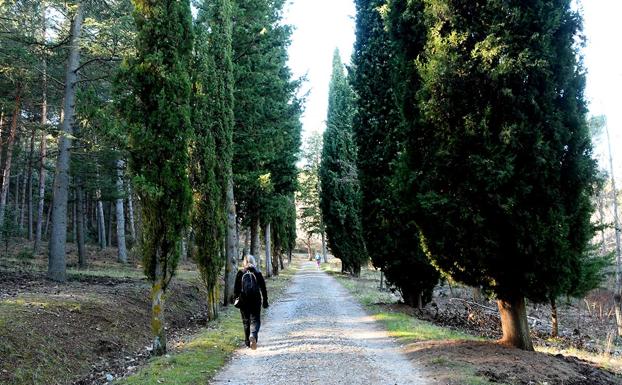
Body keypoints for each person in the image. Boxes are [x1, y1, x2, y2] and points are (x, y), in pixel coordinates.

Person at [234, 255, 268, 350]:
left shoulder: (240, 273)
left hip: (244, 299)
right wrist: (265, 300)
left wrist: (235, 299)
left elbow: (236, 289)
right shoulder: (257, 272)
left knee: (246, 321)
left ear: (244, 263)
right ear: (254, 262)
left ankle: (248, 342)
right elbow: (263, 288)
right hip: (256, 299)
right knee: (255, 319)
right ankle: (253, 335)